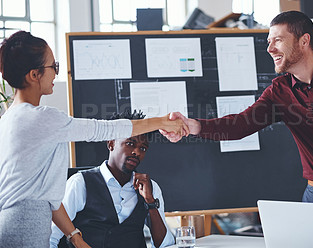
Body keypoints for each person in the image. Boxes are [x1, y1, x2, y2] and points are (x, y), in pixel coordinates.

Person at [160, 11, 313, 245]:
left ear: (304, 41)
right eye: (269, 41)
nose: (270, 48)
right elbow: (241, 124)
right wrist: (195, 126)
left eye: (278, 40)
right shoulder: (279, 92)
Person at [0, 31, 188, 248]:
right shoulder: (40, 119)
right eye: (54, 67)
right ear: (34, 75)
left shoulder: (9, 119)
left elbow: (49, 198)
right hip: (25, 229)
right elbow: (104, 129)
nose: (56, 74)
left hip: (18, 225)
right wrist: (162, 121)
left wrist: (76, 238)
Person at [50, 110, 175, 248]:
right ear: (111, 144)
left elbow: (164, 244)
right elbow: (51, 236)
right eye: (130, 143)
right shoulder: (80, 183)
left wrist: (150, 203)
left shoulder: (150, 188)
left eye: (143, 148)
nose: (137, 152)